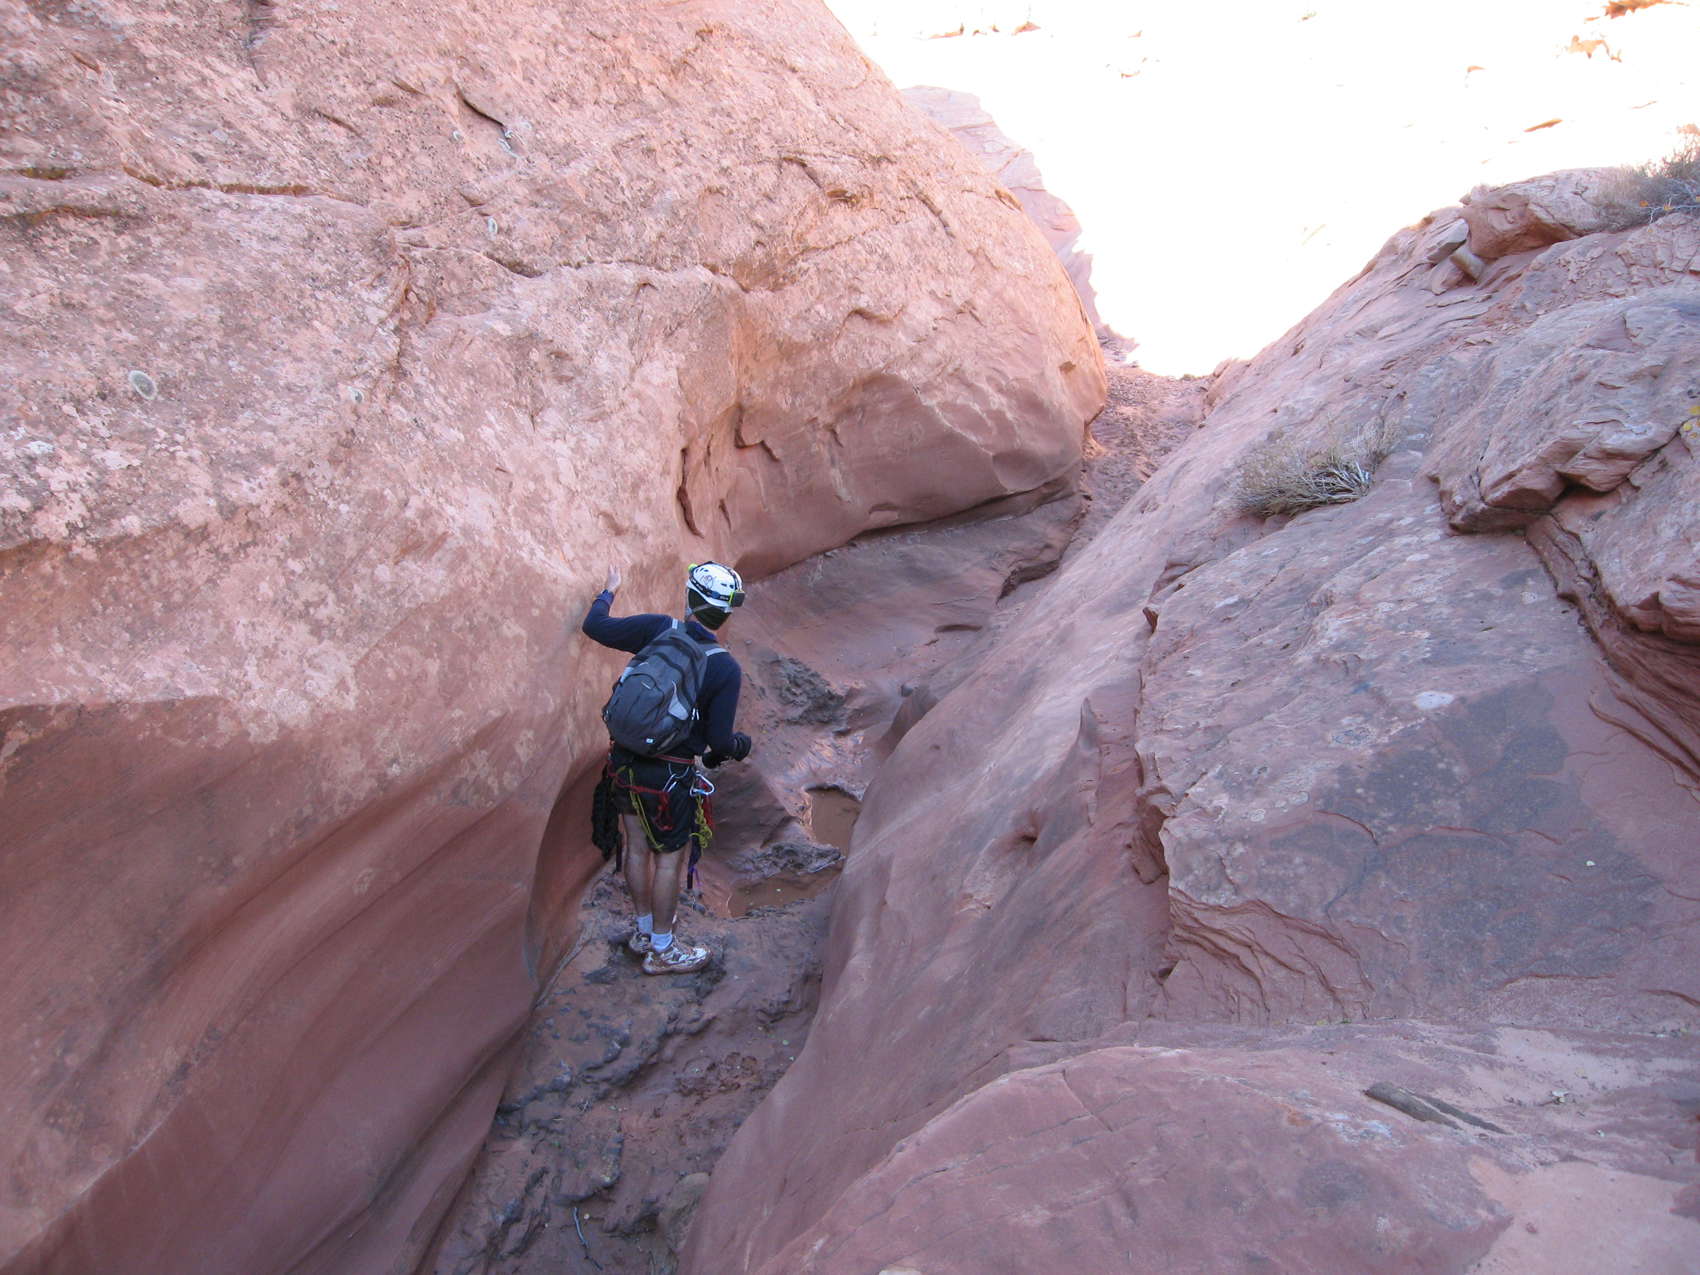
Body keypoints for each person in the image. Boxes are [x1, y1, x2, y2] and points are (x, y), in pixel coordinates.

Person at [583, 561, 751, 973]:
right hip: (670, 778)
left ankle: (644, 932)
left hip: (624, 762)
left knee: (636, 847)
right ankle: (663, 949)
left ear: (690, 599)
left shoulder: (659, 628)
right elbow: (719, 743)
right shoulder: (724, 667)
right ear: (726, 613)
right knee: (669, 859)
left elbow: (595, 626)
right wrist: (738, 746)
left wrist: (609, 590)